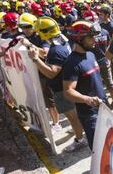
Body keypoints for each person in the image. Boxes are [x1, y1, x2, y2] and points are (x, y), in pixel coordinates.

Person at [30, 17, 86, 152]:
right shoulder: (64, 41)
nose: (38, 35)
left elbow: (51, 73)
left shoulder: (55, 50)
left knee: (72, 117)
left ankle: (80, 139)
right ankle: (79, 131)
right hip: (70, 83)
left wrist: (35, 59)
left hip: (62, 89)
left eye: (39, 32)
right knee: (76, 114)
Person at [62, 20, 107, 150]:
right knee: (98, 149)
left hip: (103, 107)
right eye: (90, 37)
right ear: (79, 39)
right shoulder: (71, 63)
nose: (94, 40)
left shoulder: (91, 54)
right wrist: (87, 99)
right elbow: (68, 91)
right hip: (89, 115)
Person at [18, 13, 61, 132]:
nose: (24, 29)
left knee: (49, 100)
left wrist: (29, 44)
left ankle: (56, 123)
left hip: (43, 73)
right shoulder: (22, 36)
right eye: (22, 27)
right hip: (30, 72)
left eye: (27, 26)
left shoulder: (41, 37)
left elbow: (44, 53)